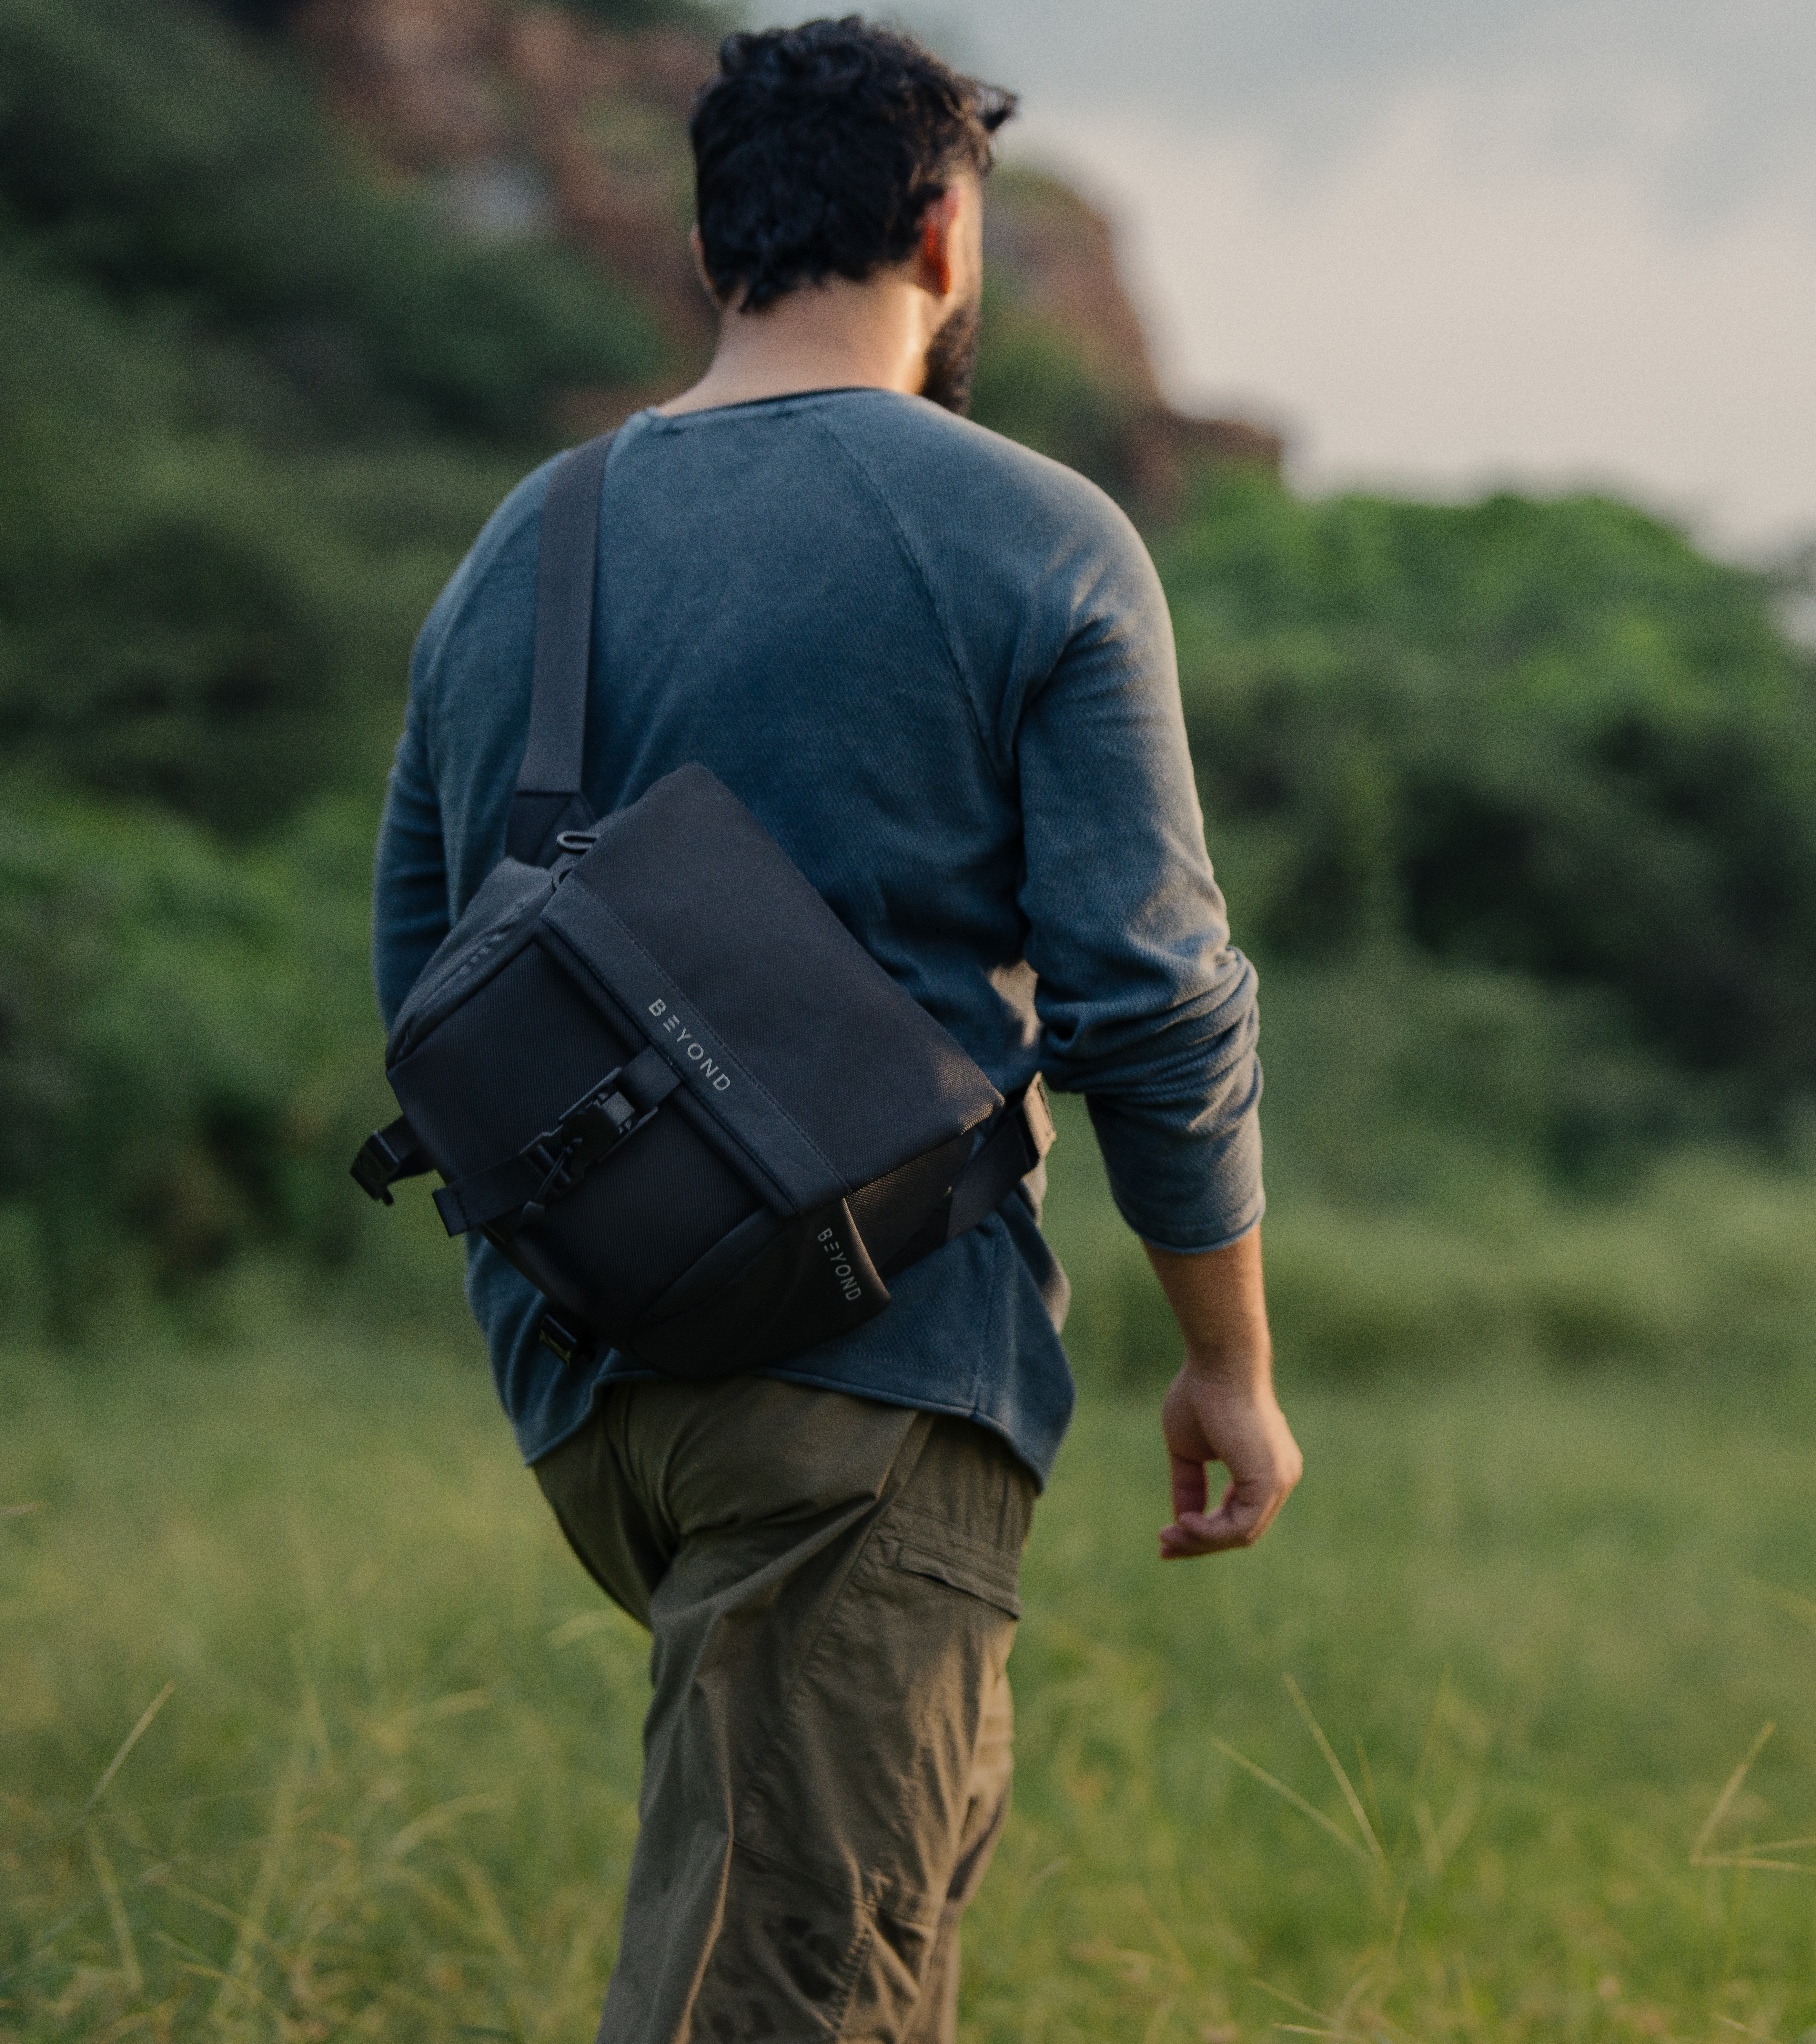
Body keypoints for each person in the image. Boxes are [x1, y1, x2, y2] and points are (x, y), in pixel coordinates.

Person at [368, 16, 1302, 2041]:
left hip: (599, 1389)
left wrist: (599, 1279)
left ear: (716, 246)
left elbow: (425, 976)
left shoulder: (524, 546)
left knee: (821, 1917)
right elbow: (1152, 992)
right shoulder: (1035, 533)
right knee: (799, 1993)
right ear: (951, 235)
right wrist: (1228, 1358)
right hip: (872, 1368)